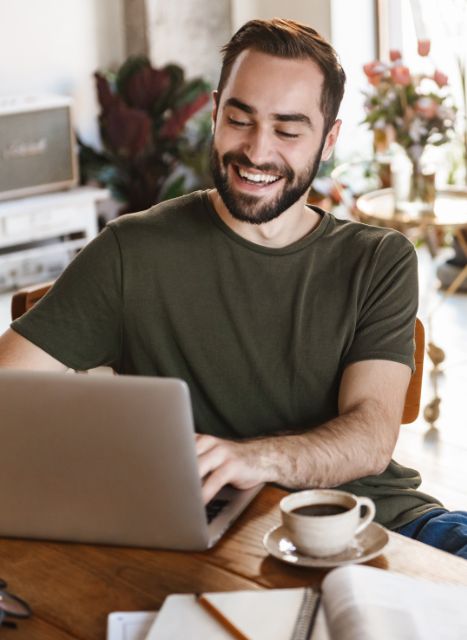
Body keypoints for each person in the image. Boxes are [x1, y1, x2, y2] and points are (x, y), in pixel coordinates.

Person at [0, 18, 465, 557]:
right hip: (203, 539)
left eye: (288, 131)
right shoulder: (132, 251)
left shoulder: (379, 259)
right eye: (240, 120)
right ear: (216, 112)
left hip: (381, 522)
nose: (257, 152)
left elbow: (370, 436)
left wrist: (253, 459)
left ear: (330, 139)